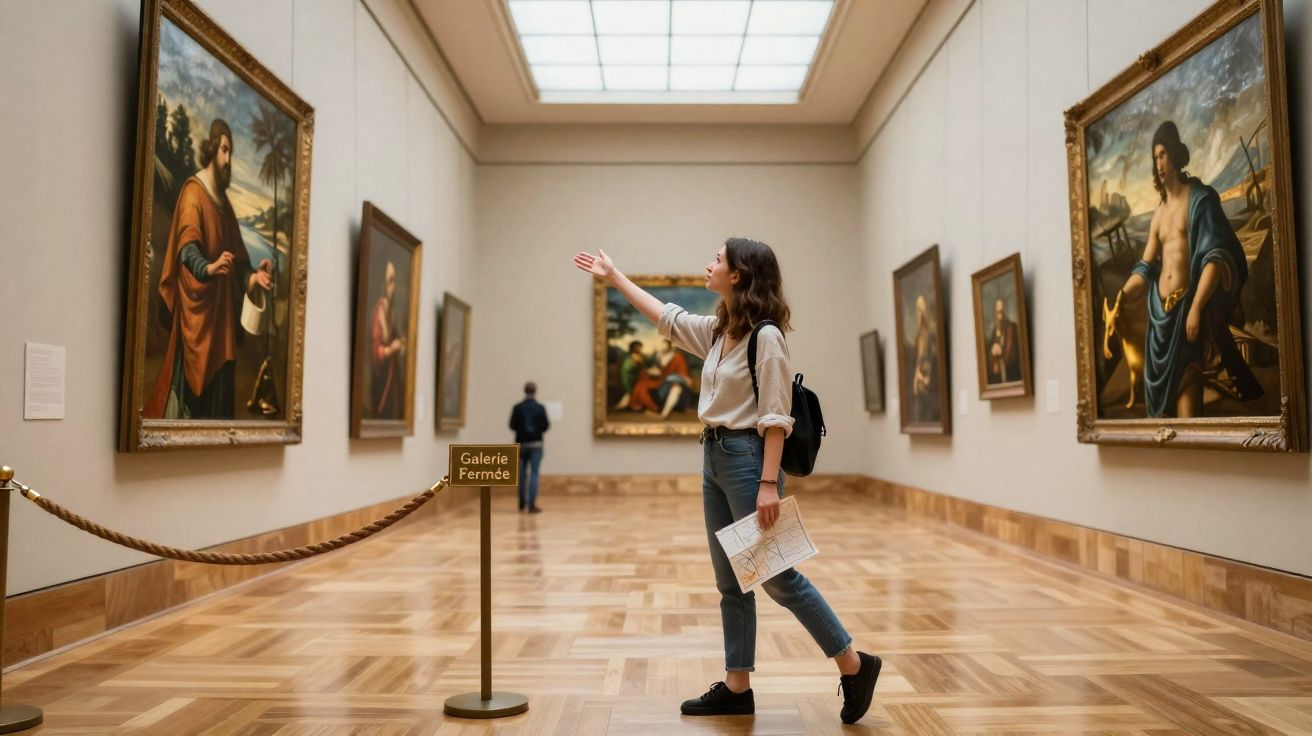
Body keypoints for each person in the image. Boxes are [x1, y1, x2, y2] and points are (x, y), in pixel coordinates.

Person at [573, 239, 882, 725]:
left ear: (738, 274)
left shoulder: (767, 337)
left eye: (717, 259)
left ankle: (854, 664)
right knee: (729, 580)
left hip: (748, 459)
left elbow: (777, 417)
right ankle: (738, 686)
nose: (710, 264)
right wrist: (615, 277)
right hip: (714, 456)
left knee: (779, 576)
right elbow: (667, 317)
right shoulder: (721, 332)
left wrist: (766, 484)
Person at [1109, 120, 1260, 417]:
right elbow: (1145, 267)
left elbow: (1215, 257)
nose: (1159, 163)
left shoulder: (1200, 198)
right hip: (1160, 323)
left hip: (1186, 315)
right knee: (1164, 421)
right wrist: (1121, 297)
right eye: (1155, 157)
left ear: (1176, 155)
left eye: (1163, 154)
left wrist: (1196, 306)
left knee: (1189, 405)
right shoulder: (1159, 215)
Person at [146, 118, 272, 419]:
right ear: (213, 149)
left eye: (230, 152)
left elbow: (240, 264)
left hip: (221, 324)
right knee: (190, 401)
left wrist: (254, 277)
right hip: (197, 319)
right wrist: (209, 268)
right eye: (224, 150)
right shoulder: (194, 192)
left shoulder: (225, 206)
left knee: (222, 394)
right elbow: (186, 248)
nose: (228, 159)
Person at [370, 261, 405, 418]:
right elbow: (375, 352)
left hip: (392, 379)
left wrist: (401, 344)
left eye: (394, 281)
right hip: (382, 380)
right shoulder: (379, 311)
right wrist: (390, 349)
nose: (393, 287)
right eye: (390, 281)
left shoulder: (394, 312)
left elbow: (400, 337)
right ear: (383, 284)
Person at [509, 381, 549, 513]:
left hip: (521, 444)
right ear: (535, 391)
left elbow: (512, 425)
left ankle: (521, 502)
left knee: (521, 474)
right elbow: (545, 426)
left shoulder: (518, 407)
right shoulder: (540, 408)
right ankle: (531, 504)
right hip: (536, 444)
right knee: (534, 474)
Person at [910, 294, 938, 422]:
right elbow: (916, 361)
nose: (920, 314)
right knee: (918, 416)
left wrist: (928, 377)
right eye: (918, 310)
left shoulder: (931, 334)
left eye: (922, 309)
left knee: (929, 417)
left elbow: (934, 356)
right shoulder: (917, 336)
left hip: (929, 383)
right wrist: (917, 375)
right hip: (919, 384)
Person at [987, 297, 1021, 384]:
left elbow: (1011, 355)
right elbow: (989, 358)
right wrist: (992, 352)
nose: (1000, 316)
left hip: (1011, 376)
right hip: (998, 379)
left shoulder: (1012, 328)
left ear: (1005, 311)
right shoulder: (995, 330)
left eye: (1002, 312)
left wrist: (1000, 351)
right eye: (998, 312)